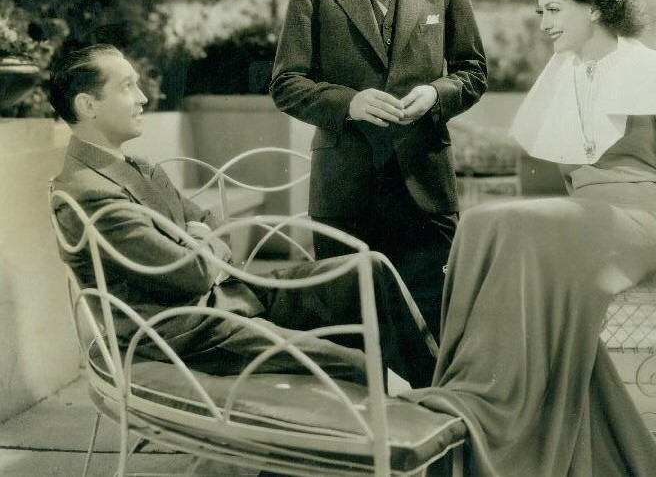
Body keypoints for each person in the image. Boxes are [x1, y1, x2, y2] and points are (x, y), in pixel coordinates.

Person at [402, 0, 656, 477]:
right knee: (479, 223)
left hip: (642, 215)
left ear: (596, 8)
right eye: (541, 11)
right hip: (587, 215)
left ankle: (497, 406)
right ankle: (478, 390)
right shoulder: (564, 73)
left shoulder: (655, 67)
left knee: (512, 224)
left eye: (555, 9)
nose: (544, 22)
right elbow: (569, 179)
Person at [49, 44, 436, 389]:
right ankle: (344, 456)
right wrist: (200, 240)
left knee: (368, 271)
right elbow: (192, 273)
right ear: (87, 105)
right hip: (181, 333)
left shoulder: (139, 166)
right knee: (354, 363)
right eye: (127, 87)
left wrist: (198, 238)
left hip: (229, 296)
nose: (144, 97)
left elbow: (211, 222)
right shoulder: (91, 191)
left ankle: (442, 391)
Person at [269, 0, 488, 339]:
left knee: (431, 334)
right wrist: (348, 103)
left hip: (425, 191)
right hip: (345, 194)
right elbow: (285, 84)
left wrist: (436, 92)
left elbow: (474, 73)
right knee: (349, 342)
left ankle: (430, 417)